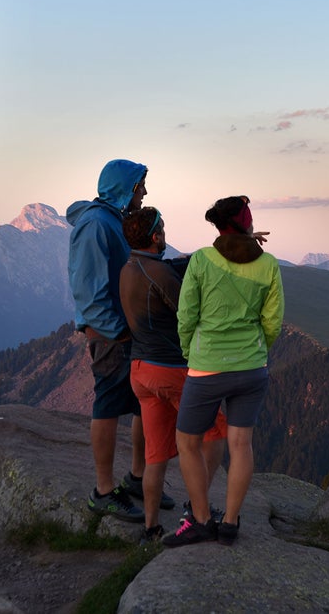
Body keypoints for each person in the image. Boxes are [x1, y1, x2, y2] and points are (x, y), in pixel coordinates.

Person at [163, 196, 284, 547]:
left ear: (218, 226)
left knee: (187, 443)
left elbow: (186, 316)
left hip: (206, 368)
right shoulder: (269, 265)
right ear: (247, 225)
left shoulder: (201, 260)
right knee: (241, 444)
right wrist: (257, 350)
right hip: (252, 367)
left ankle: (201, 519)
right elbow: (272, 321)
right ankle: (230, 523)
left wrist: (191, 353)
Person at [119, 207, 229, 543]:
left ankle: (151, 528)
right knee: (216, 434)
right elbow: (190, 313)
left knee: (156, 455)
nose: (165, 233)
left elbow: (172, 265)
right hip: (172, 371)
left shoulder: (129, 267)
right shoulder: (160, 274)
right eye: (163, 229)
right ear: (155, 236)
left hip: (140, 372)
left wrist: (226, 248)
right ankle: (198, 510)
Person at [67, 159, 150, 522]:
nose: (145, 193)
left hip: (124, 330)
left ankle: (136, 478)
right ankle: (103, 490)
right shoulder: (96, 224)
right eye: (141, 187)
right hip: (112, 333)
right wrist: (116, 330)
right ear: (127, 188)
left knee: (141, 404)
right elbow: (89, 290)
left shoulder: (109, 220)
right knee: (107, 404)